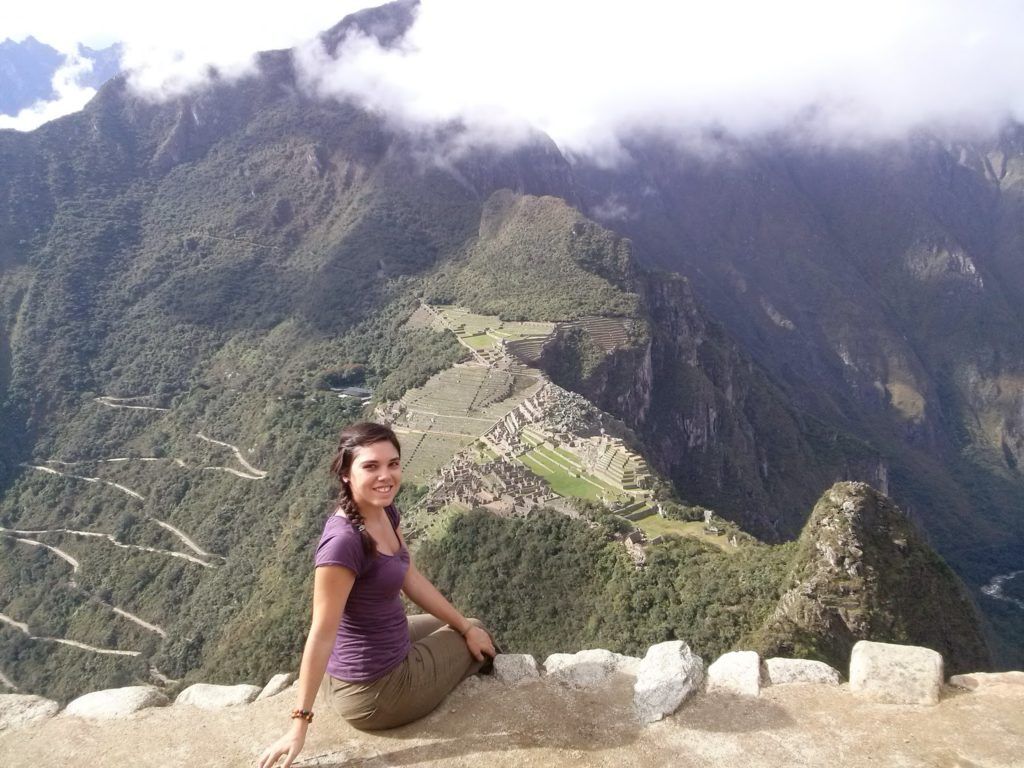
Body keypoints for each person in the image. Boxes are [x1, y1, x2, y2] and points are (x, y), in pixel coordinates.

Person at [258, 422, 496, 768]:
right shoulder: (343, 544)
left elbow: (409, 577)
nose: (386, 475)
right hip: (374, 690)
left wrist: (463, 625)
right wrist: (299, 724)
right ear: (345, 474)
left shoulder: (384, 511)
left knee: (468, 627)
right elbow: (322, 633)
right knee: (476, 630)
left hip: (385, 646)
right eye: (371, 466)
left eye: (393, 464)